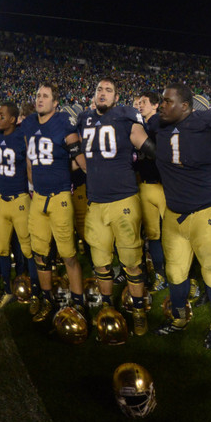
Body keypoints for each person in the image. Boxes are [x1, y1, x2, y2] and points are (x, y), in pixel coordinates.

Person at [153, 83, 211, 352]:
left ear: (185, 106)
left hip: (207, 210)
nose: (161, 105)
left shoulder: (208, 122)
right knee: (174, 271)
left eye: (167, 101)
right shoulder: (158, 124)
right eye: (161, 101)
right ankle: (179, 317)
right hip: (174, 213)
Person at [77, 79, 152, 334]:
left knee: (131, 261)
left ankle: (139, 310)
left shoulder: (124, 115)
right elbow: (76, 148)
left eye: (108, 90)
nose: (102, 93)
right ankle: (107, 309)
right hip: (96, 202)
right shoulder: (84, 118)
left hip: (123, 200)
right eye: (99, 89)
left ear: (116, 97)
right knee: (100, 263)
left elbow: (144, 143)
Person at [20, 83, 86, 322]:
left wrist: (63, 173)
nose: (40, 99)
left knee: (68, 255)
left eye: (45, 96)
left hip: (60, 198)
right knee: (40, 254)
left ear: (55, 103)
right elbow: (29, 159)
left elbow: (79, 158)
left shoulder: (64, 123)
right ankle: (47, 299)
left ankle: (78, 303)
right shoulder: (28, 123)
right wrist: (34, 185)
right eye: (37, 95)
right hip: (38, 198)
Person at [0, 101, 37, 308]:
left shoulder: (22, 137)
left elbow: (29, 164)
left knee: (28, 249)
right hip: (1, 200)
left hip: (20, 200)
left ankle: (35, 292)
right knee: (1, 247)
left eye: (2, 116)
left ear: (13, 119)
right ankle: (7, 290)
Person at [135, 90, 167, 290]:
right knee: (153, 234)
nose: (140, 105)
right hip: (146, 185)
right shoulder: (141, 125)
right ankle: (161, 274)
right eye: (138, 102)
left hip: (162, 185)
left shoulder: (158, 123)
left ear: (156, 105)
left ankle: (176, 274)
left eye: (144, 102)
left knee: (170, 233)